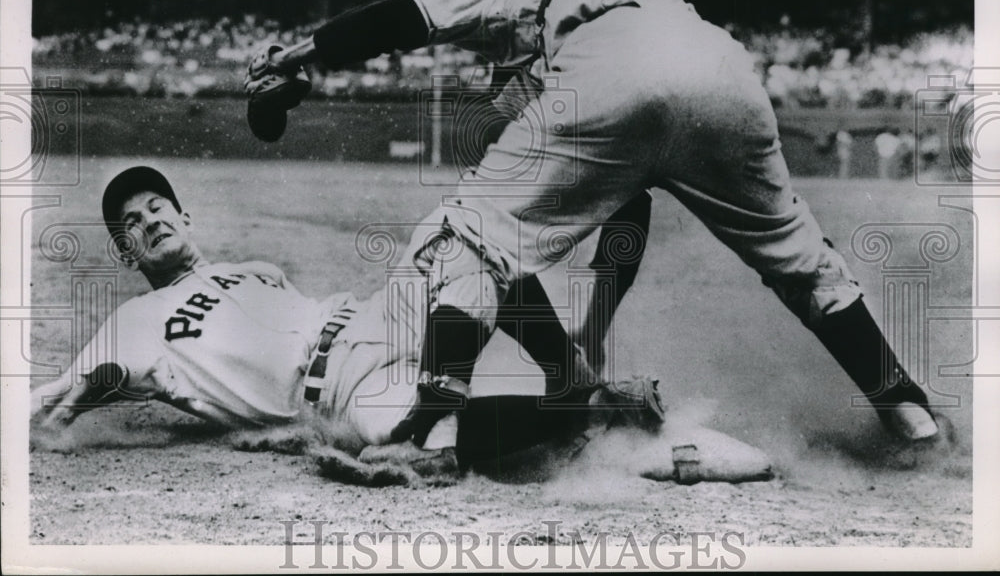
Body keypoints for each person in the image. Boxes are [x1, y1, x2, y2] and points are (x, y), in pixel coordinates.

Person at [245, 0, 949, 461]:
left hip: (615, 67)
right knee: (805, 264)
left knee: (469, 237)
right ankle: (906, 408)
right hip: (728, 74)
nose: (509, 92)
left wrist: (301, 55)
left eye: (506, 81)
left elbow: (404, 17)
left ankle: (434, 428)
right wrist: (581, 351)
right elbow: (625, 217)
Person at [29, 165, 667, 482]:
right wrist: (99, 383)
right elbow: (59, 397)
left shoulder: (253, 268)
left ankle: (567, 373)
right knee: (409, 437)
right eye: (132, 225)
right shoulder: (134, 322)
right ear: (126, 251)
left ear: (183, 215)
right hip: (333, 391)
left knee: (462, 236)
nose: (149, 221)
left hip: (369, 318)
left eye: (156, 206)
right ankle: (585, 408)